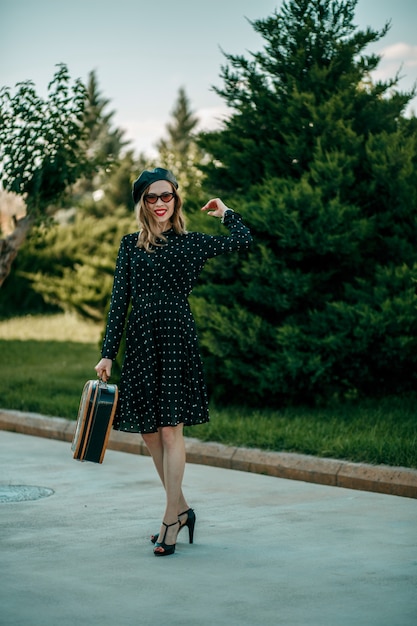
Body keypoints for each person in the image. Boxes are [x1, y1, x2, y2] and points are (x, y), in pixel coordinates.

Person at [94, 167, 252, 556]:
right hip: (143, 342)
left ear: (176, 200)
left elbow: (243, 239)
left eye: (167, 196)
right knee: (149, 433)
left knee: (170, 431)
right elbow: (119, 302)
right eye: (152, 197)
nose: (161, 203)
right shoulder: (130, 245)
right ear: (142, 203)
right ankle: (182, 509)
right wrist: (107, 353)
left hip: (177, 339)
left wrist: (226, 211)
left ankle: (169, 520)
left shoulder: (191, 242)